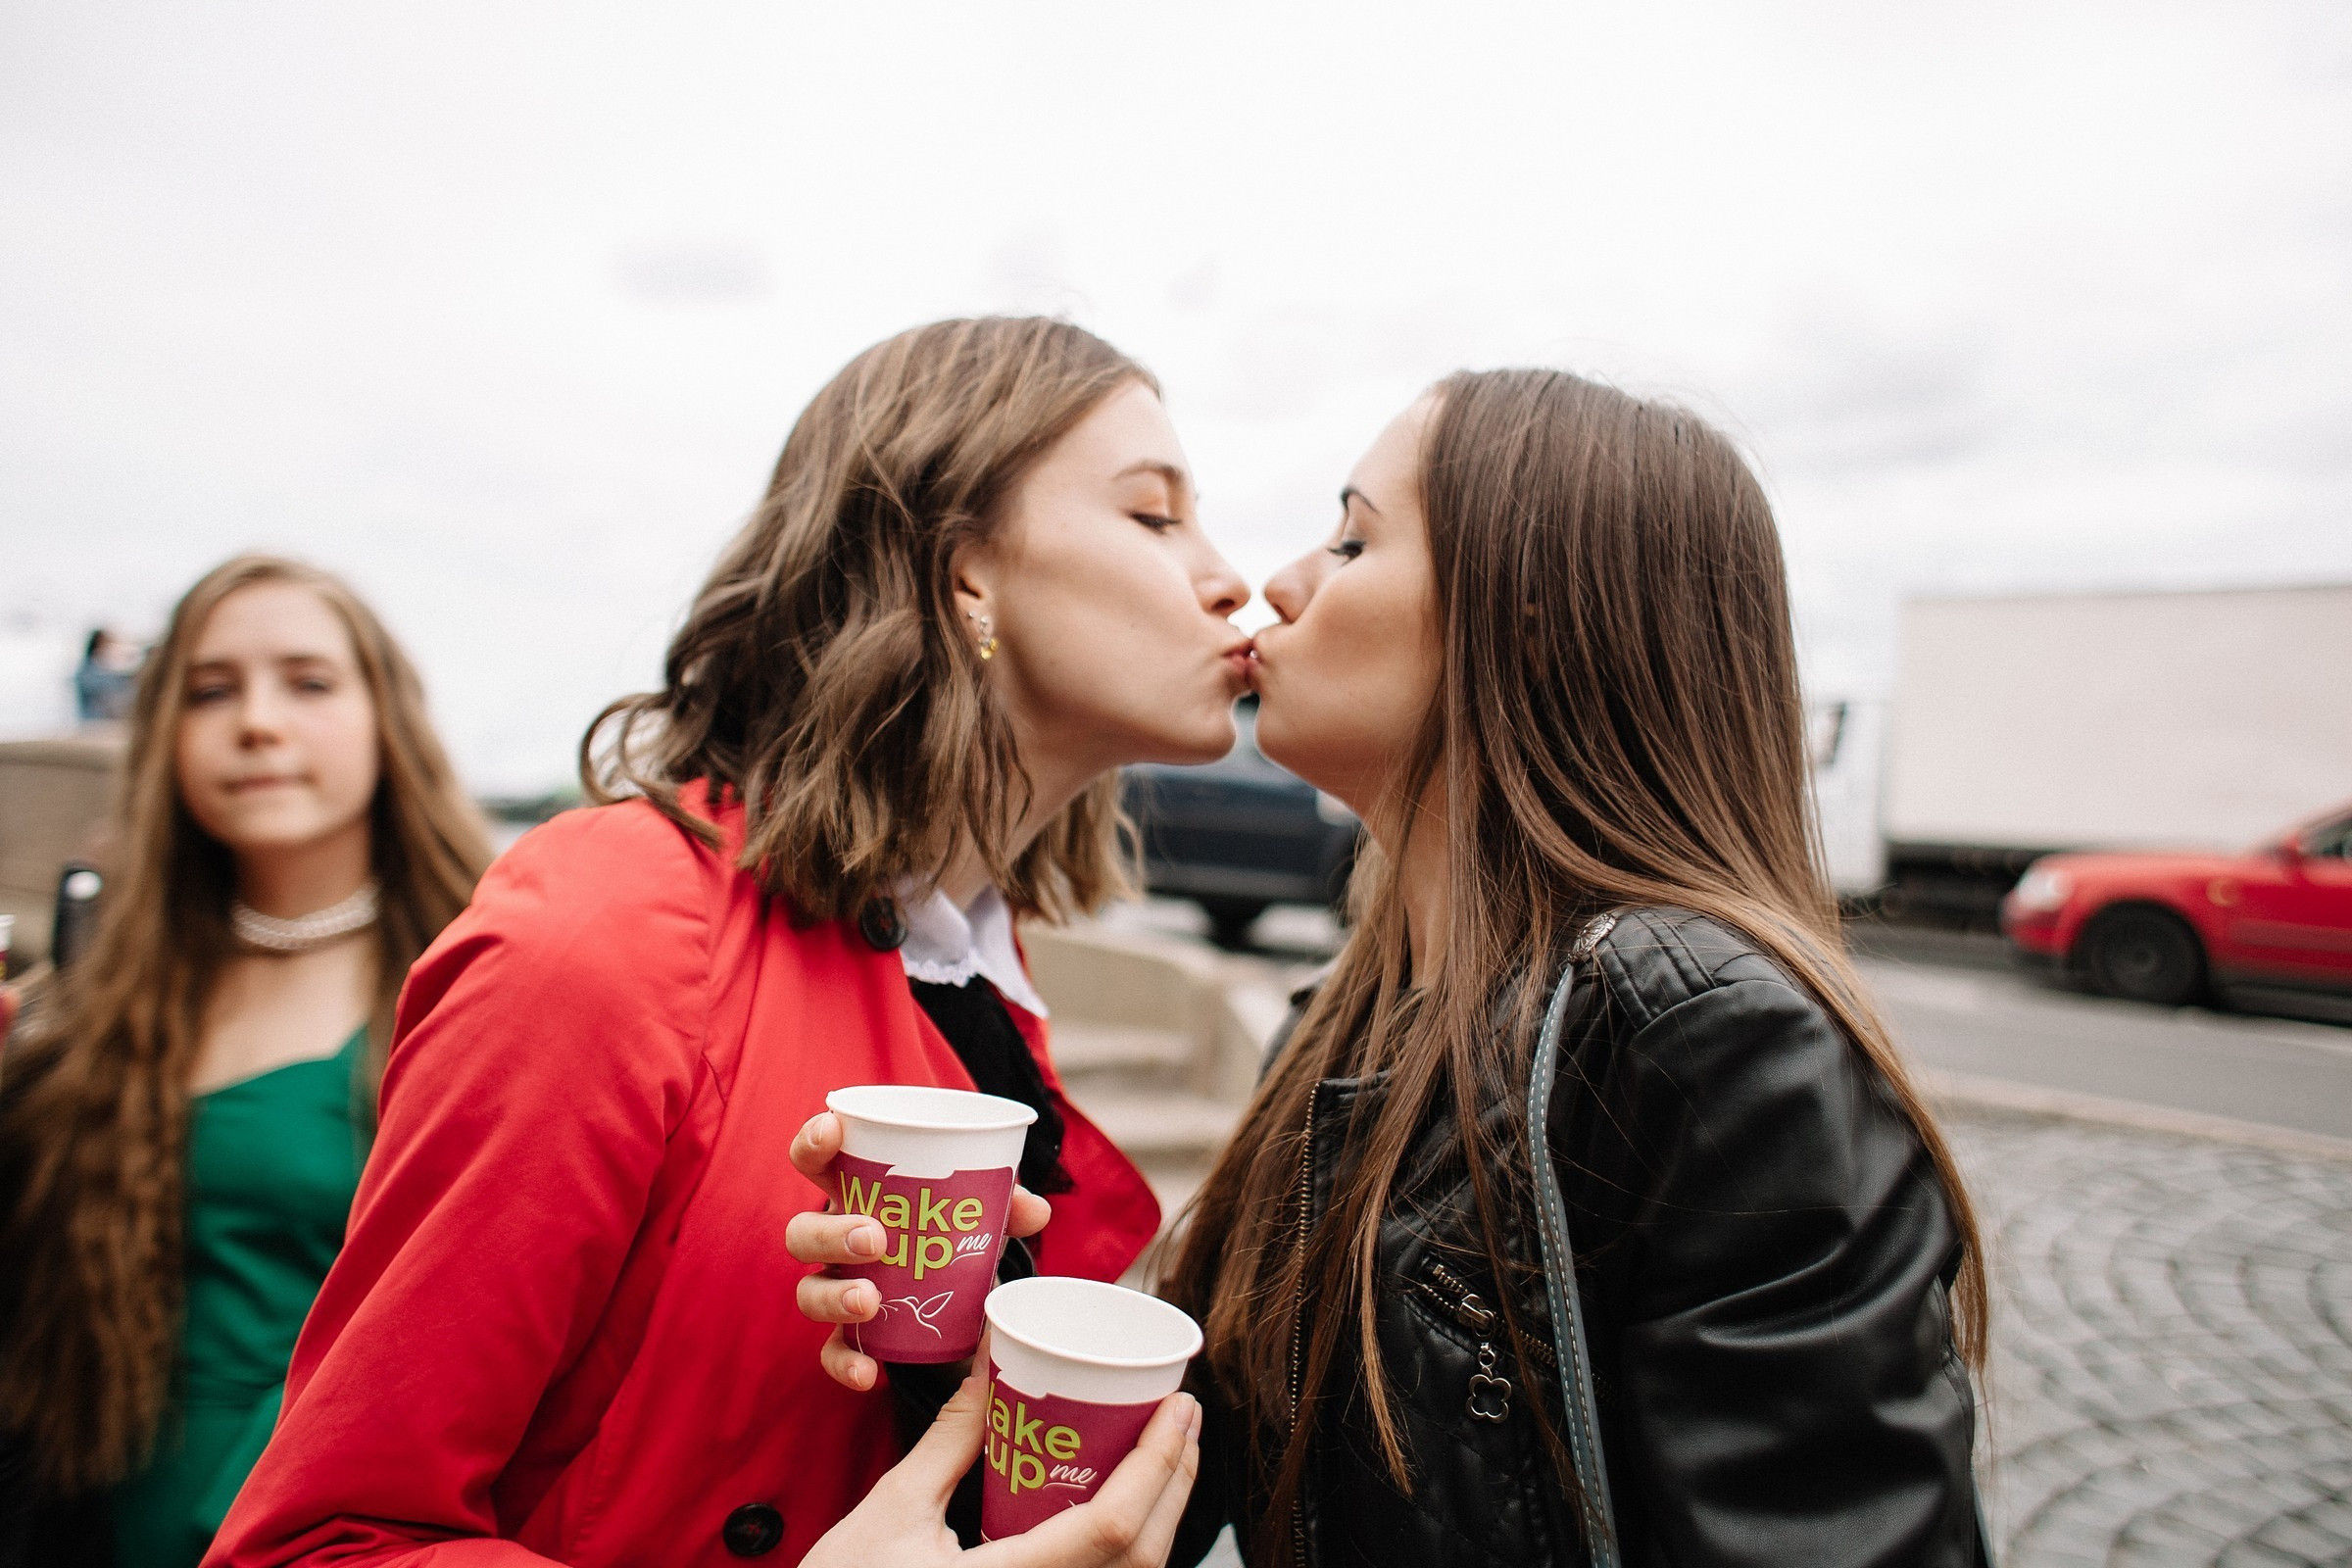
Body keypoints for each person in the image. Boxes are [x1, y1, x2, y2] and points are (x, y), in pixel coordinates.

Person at [793, 368, 1990, 1565]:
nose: (1279, 582)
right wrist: (958, 1305)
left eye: (1356, 540)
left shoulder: (1701, 1038)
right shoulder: (1343, 1024)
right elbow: (1186, 1468)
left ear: (1525, 616)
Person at [205, 316, 1250, 1567]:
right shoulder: (606, 934)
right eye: (1153, 515)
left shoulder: (972, 972)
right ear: (966, 572)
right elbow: (320, 1541)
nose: (1231, 575)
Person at [0, 557, 494, 1568]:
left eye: (308, 683)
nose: (257, 723)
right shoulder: (94, 994)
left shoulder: (478, 984)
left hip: (320, 1537)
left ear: (386, 717)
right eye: (209, 689)